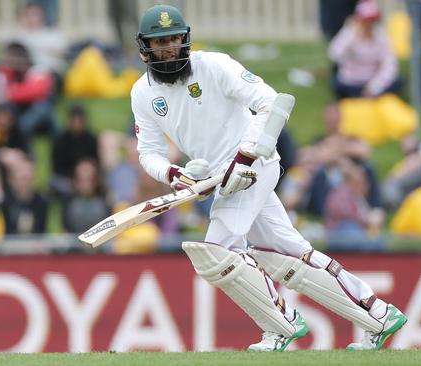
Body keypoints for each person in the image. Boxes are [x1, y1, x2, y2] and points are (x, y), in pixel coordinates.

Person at [131, 5, 406, 352]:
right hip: (219, 178)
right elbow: (149, 152)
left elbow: (272, 102)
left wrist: (245, 157)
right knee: (286, 253)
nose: (169, 48)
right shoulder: (142, 93)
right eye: (160, 42)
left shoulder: (215, 65)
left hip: (255, 166)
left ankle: (281, 324)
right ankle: (377, 315)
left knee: (217, 252)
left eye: (173, 39)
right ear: (146, 49)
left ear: (185, 39)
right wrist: (174, 174)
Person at [328, 0, 401, 99]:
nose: (369, 24)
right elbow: (334, 54)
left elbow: (390, 65)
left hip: (372, 81)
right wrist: (351, 35)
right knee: (336, 83)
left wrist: (373, 87)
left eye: (372, 20)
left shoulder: (381, 36)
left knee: (398, 82)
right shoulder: (349, 33)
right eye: (366, 20)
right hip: (350, 82)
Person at [0, 42, 58, 138]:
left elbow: (38, 91)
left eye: (12, 57)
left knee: (41, 107)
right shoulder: (6, 72)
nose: (8, 61)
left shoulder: (37, 70)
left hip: (37, 112)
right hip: (17, 110)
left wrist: (12, 93)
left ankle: (17, 133)